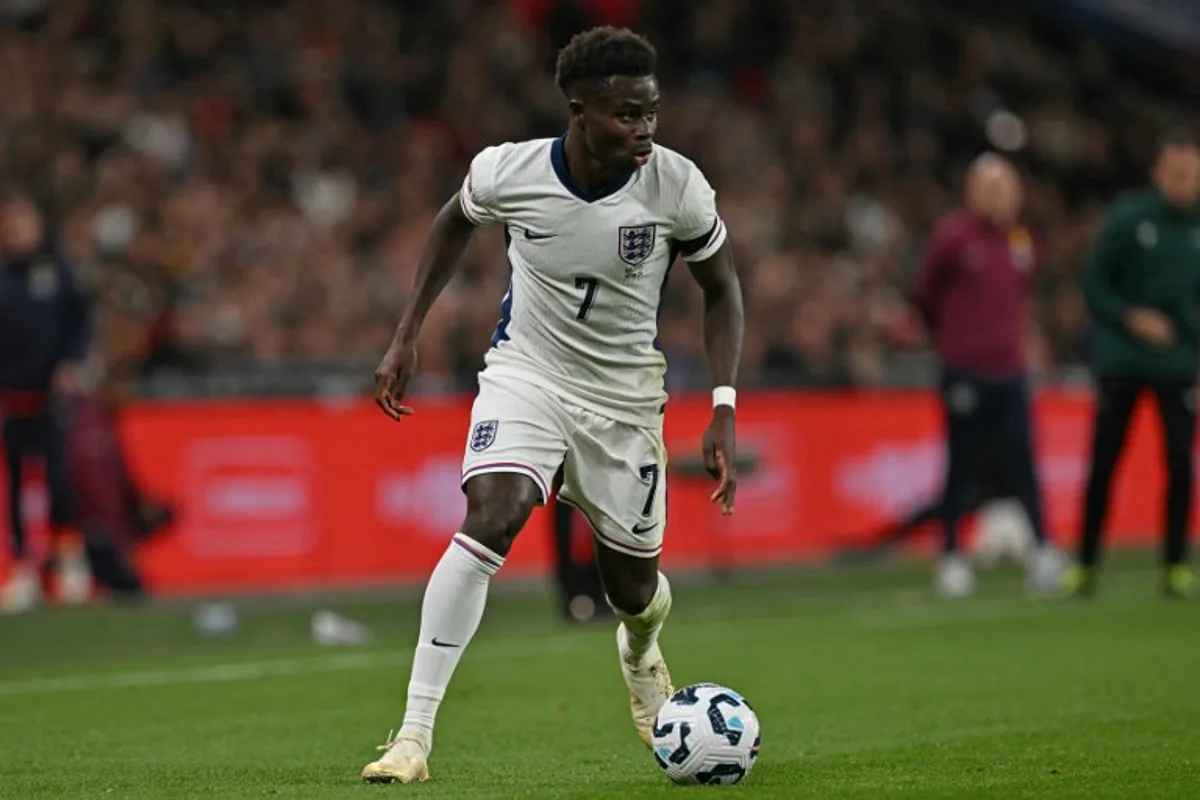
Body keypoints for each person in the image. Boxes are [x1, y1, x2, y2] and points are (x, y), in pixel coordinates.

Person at [363, 27, 743, 784]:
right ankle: (412, 736)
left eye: (651, 112)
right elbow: (452, 224)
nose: (644, 129)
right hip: (527, 376)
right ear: (579, 109)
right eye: (626, 114)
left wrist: (724, 403)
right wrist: (407, 334)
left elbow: (722, 288)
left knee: (634, 592)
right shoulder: (510, 172)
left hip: (626, 405)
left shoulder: (676, 185)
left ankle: (640, 653)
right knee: (491, 517)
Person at [912, 154, 1063, 599]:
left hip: (1011, 371)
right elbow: (924, 294)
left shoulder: (1022, 240)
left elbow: (1021, 298)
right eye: (989, 186)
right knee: (961, 466)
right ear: (971, 191)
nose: (998, 195)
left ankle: (1042, 551)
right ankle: (952, 558)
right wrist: (956, 338)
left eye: (1005, 186)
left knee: (1023, 462)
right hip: (965, 371)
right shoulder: (953, 237)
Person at [1069, 129, 1200, 599]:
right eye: (1176, 171)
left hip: (1179, 365)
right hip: (1123, 361)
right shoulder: (1130, 220)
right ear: (1158, 173)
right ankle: (1084, 565)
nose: (1184, 181)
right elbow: (1094, 282)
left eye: (1191, 173)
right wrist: (1131, 316)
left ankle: (1176, 566)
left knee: (1181, 466)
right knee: (1105, 462)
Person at [0, 190, 93, 613]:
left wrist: (71, 363)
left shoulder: (57, 272)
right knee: (17, 484)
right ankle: (23, 568)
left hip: (51, 394)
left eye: (22, 222)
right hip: (12, 396)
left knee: (59, 476)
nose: (15, 231)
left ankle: (69, 560)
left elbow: (79, 323)